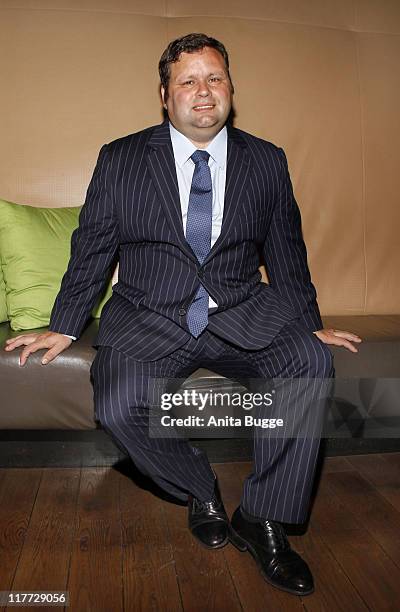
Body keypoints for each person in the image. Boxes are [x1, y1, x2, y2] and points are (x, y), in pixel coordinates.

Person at [4, 33, 361, 596]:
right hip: (150, 314)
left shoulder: (266, 161)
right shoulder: (121, 157)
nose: (203, 91)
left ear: (230, 90)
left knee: (308, 362)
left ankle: (262, 517)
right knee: (119, 402)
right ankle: (202, 489)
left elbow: (287, 250)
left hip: (242, 310)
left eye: (214, 78)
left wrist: (308, 320)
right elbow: (93, 246)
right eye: (188, 80)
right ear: (165, 95)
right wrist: (66, 322)